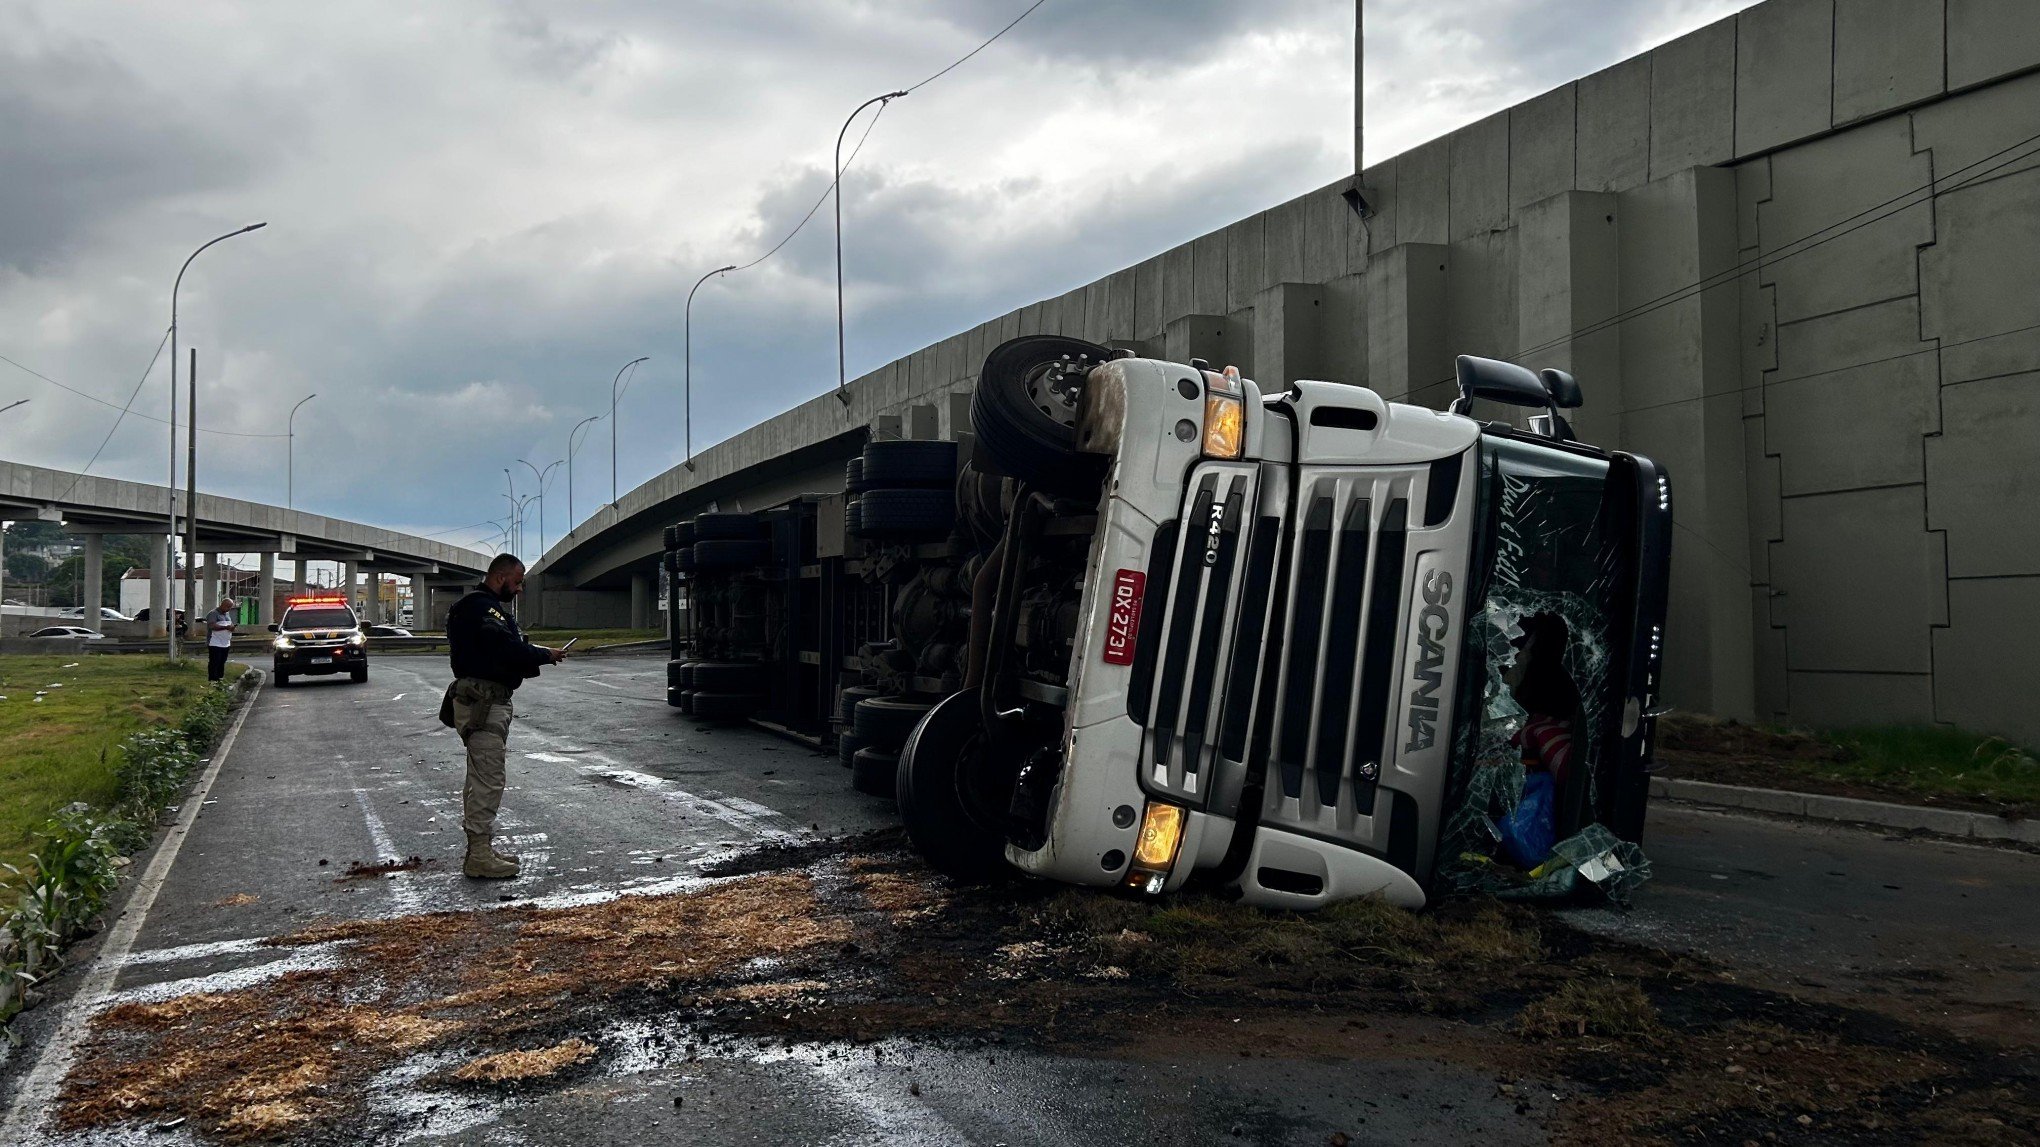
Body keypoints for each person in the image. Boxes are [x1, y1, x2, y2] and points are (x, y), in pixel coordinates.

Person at [444, 554, 565, 880]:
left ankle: (480, 850)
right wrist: (545, 655)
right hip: (483, 703)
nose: (521, 588)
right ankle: (479, 856)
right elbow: (506, 650)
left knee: (481, 776)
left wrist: (534, 655)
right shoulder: (484, 609)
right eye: (518, 581)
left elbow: (504, 649)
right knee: (488, 778)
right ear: (500, 577)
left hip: (483, 701)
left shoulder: (480, 608)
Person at [204, 596, 238, 683]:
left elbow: (229, 624)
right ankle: (213, 679)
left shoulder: (227, 614)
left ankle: (220, 678)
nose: (229, 609)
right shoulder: (213, 613)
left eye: (230, 607)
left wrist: (232, 628)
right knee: (215, 661)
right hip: (215, 642)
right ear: (222, 604)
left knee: (222, 661)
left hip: (225, 642)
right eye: (227, 607)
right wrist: (225, 627)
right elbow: (212, 626)